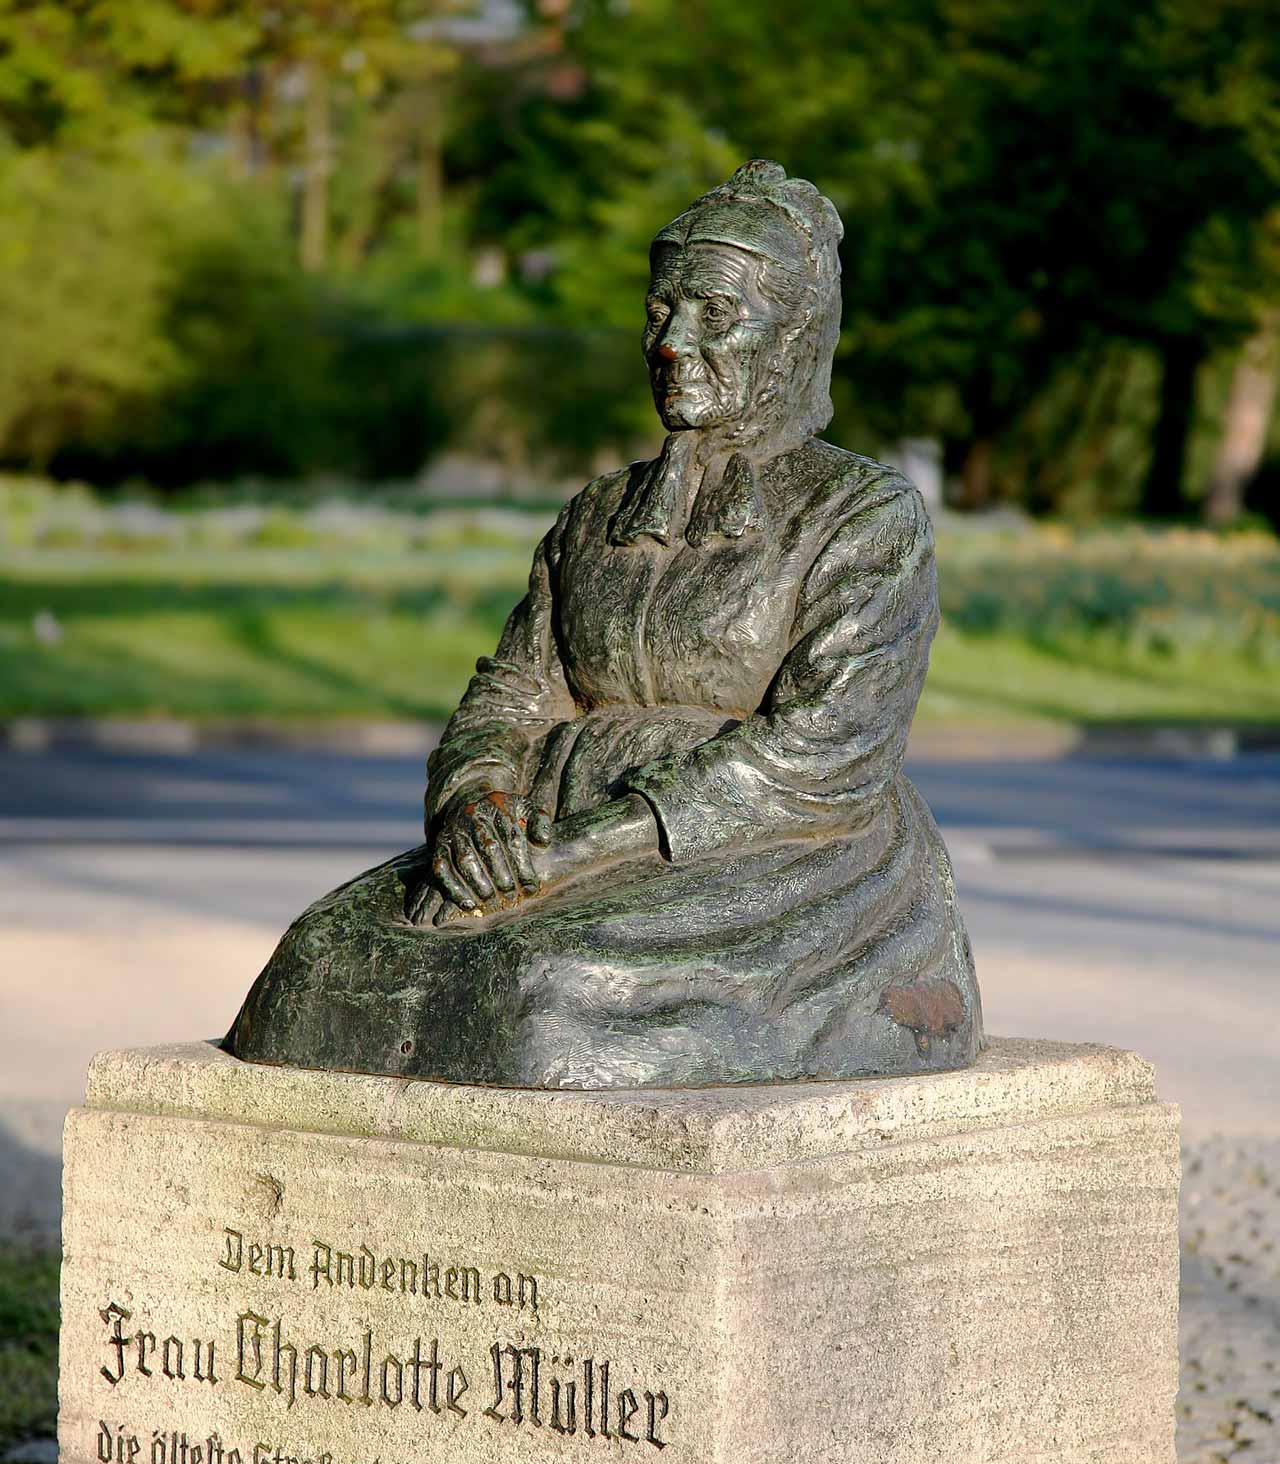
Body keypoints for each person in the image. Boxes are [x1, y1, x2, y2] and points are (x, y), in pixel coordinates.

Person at [227, 160, 983, 1089]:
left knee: (541, 995)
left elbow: (823, 752)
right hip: (541, 825)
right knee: (326, 960)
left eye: (714, 313)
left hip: (761, 844)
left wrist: (576, 852)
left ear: (792, 336)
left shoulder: (862, 514)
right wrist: (478, 809)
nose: (671, 341)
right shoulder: (596, 514)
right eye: (661, 310)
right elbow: (508, 693)